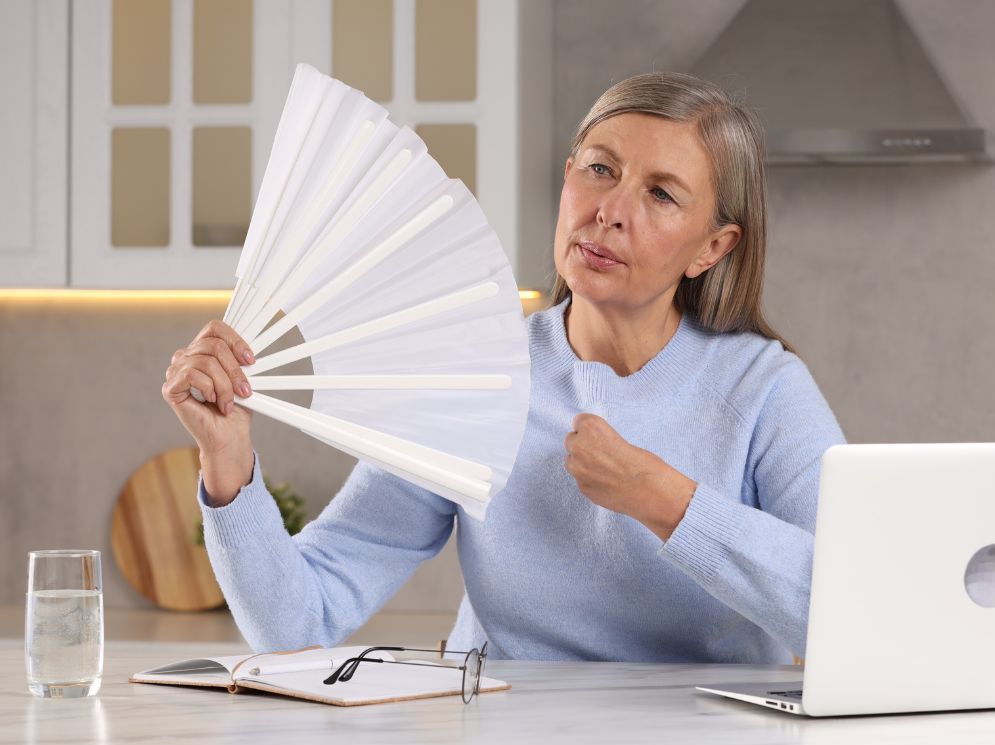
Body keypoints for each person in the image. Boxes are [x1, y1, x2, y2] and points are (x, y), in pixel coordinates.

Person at [161, 72, 844, 663]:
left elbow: (852, 611)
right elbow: (296, 624)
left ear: (713, 246)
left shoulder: (764, 390)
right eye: (599, 169)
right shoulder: (475, 379)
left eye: (661, 194)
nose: (608, 212)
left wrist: (665, 501)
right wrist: (227, 462)